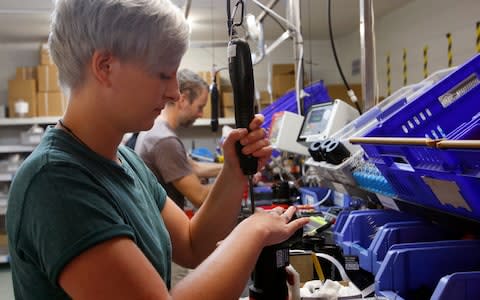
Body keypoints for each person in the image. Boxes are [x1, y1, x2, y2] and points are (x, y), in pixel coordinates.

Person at [6, 0, 310, 299]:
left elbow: (193, 245)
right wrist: (252, 232)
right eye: (163, 75)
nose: (174, 92)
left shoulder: (125, 161)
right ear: (105, 67)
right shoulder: (56, 183)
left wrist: (232, 172)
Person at [135, 68, 222, 210]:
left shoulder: (157, 129)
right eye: (200, 107)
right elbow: (199, 197)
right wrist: (235, 179)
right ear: (183, 99)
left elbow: (195, 167)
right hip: (165, 230)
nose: (200, 114)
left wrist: (234, 167)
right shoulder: (165, 141)